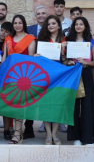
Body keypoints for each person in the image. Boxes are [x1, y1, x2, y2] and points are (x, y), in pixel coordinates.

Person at [65, 17, 94, 146]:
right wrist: (69, 62)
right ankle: (76, 137)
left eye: (81, 24)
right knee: (74, 107)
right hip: (73, 74)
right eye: (76, 24)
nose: (79, 26)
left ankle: (88, 137)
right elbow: (64, 59)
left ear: (85, 26)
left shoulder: (91, 42)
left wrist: (85, 62)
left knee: (87, 106)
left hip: (86, 73)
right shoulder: (69, 41)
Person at [3, 14, 36, 143]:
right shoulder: (8, 39)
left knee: (21, 105)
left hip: (24, 76)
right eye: (15, 23)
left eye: (20, 23)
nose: (17, 25)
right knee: (14, 104)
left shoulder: (31, 39)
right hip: (11, 76)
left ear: (24, 24)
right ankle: (17, 132)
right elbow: (5, 58)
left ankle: (18, 133)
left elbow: (31, 58)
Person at [36, 15, 67, 145]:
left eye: (53, 23)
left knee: (57, 106)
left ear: (59, 25)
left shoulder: (64, 40)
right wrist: (37, 56)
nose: (51, 26)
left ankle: (55, 134)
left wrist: (65, 51)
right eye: (49, 24)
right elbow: (39, 61)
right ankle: (48, 134)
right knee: (46, 105)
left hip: (59, 76)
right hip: (46, 76)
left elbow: (65, 61)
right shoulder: (42, 40)